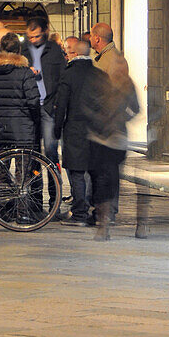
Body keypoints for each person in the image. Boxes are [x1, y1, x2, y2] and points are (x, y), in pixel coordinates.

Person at [84, 51, 139, 240]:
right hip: (103, 137)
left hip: (112, 139)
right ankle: (105, 214)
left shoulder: (123, 84)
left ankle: (105, 217)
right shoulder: (103, 81)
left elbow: (135, 109)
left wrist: (118, 119)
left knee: (106, 178)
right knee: (104, 178)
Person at [54, 36, 97, 226]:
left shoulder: (68, 74)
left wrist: (56, 129)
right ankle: (93, 210)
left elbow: (61, 105)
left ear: (75, 53)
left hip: (74, 129)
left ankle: (80, 213)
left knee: (77, 172)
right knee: (91, 171)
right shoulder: (99, 75)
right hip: (96, 130)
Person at [23, 16, 66, 187]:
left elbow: (62, 78)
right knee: (32, 154)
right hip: (31, 106)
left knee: (50, 152)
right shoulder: (23, 50)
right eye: (30, 37)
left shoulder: (54, 50)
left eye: (37, 36)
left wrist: (56, 102)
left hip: (48, 106)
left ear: (45, 32)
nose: (33, 40)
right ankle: (36, 197)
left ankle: (55, 194)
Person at [0, 31, 41, 147]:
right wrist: (35, 120)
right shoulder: (25, 73)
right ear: (19, 49)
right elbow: (33, 101)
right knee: (23, 164)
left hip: (0, 129)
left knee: (1, 163)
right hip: (23, 130)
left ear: (1, 49)